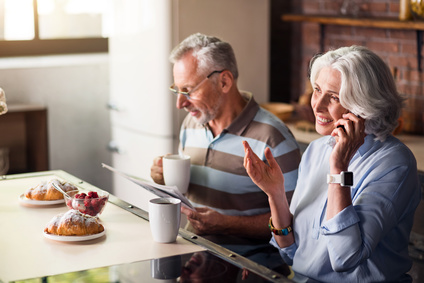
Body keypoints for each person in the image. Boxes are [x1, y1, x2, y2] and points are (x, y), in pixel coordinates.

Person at [243, 45, 421, 282]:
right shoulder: (317, 150)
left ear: (364, 106)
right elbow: (290, 252)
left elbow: (345, 259)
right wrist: (275, 194)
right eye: (317, 90)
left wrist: (339, 169)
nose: (316, 105)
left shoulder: (395, 163)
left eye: (334, 97)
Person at [150, 33, 301, 270]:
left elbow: (295, 223)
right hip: (193, 256)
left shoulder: (274, 138)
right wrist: (164, 178)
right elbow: (189, 194)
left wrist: (227, 225)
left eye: (188, 90)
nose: (180, 103)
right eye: (177, 90)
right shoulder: (191, 124)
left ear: (224, 82)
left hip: (249, 267)